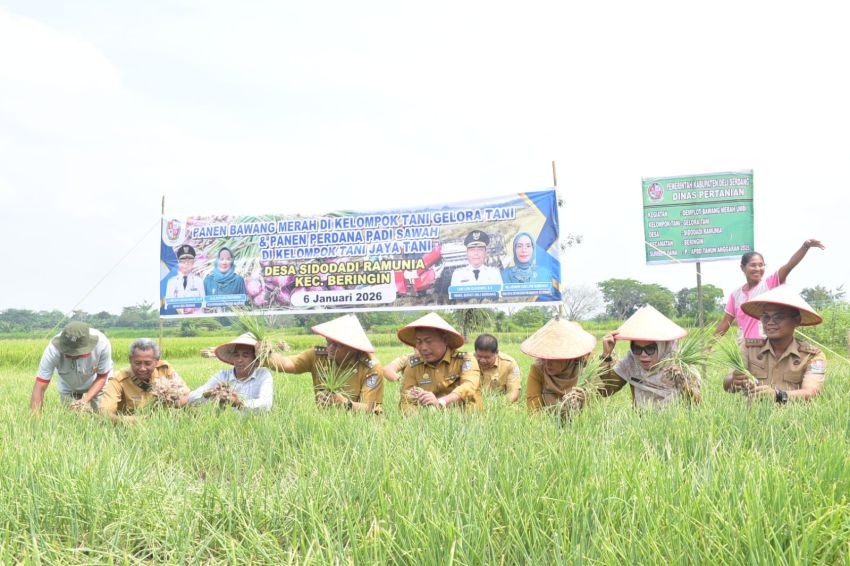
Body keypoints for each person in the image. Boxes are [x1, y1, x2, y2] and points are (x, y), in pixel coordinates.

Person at [723, 285, 827, 402]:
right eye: (766, 317)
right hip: (752, 415)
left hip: (794, 418)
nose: (770, 322)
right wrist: (734, 380)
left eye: (779, 317)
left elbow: (811, 392)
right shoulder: (748, 348)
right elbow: (727, 385)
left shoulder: (812, 356)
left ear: (796, 320)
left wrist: (778, 395)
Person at [266, 314, 384, 413]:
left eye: (337, 345)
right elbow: (288, 363)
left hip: (359, 427)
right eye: (328, 342)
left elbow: (371, 409)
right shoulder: (318, 356)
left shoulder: (370, 367)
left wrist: (344, 403)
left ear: (353, 348)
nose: (330, 348)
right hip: (325, 425)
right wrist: (266, 354)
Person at [714, 239, 824, 340]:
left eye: (761, 265)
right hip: (744, 347)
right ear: (743, 268)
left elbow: (788, 266)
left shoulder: (770, 284)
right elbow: (725, 322)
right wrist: (708, 348)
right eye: (753, 265)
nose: (758, 269)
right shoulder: (736, 294)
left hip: (767, 346)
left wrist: (805, 246)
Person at [598, 305, 695, 407]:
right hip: (641, 419)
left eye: (650, 349)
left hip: (675, 419)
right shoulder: (631, 361)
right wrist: (606, 356)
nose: (643, 355)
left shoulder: (679, 362)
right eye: (637, 348)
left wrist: (683, 383)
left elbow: (696, 402)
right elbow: (607, 389)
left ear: (662, 345)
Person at [397, 312, 482, 413]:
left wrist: (441, 402)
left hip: (467, 419)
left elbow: (468, 386)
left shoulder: (465, 360)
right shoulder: (414, 366)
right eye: (419, 342)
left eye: (429, 341)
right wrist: (418, 422)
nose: (423, 348)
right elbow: (407, 400)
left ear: (445, 340)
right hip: (430, 420)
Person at [99, 338, 188, 422]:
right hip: (130, 428)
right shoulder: (118, 380)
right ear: (130, 360)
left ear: (156, 361)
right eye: (137, 363)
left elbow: (187, 395)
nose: (142, 368)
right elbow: (105, 414)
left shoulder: (164, 370)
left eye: (148, 363)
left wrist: (173, 402)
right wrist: (140, 420)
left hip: (162, 424)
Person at [31, 321, 113, 412]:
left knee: (102, 413)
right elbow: (40, 386)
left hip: (96, 381)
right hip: (68, 384)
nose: (73, 356)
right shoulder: (52, 350)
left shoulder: (102, 344)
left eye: (77, 353)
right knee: (70, 416)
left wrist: (85, 400)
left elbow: (102, 377)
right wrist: (36, 421)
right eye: (69, 352)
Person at [182, 333, 273, 412]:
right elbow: (195, 396)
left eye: (245, 355)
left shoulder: (263, 375)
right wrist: (209, 394)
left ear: (255, 359)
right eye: (236, 355)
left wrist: (238, 403)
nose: (239, 360)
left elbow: (266, 404)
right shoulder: (222, 376)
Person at [523, 318, 597, 413]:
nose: (547, 363)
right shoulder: (538, 369)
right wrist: (545, 427)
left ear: (568, 355)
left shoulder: (585, 369)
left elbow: (597, 403)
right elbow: (534, 408)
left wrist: (585, 401)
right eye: (544, 357)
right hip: (548, 422)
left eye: (553, 358)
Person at [474, 333, 522, 403]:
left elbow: (513, 394)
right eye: (479, 356)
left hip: (498, 403)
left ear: (496, 353)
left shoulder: (509, 364)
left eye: (487, 357)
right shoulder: (467, 361)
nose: (482, 360)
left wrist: (493, 403)